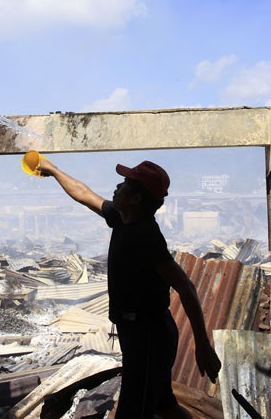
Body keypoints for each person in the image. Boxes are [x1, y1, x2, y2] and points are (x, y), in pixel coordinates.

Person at [36, 156, 222, 419]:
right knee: (163, 406)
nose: (116, 187)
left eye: (123, 183)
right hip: (139, 333)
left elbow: (186, 287)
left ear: (135, 198)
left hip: (149, 336)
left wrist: (202, 345)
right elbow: (84, 194)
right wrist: (53, 170)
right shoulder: (122, 217)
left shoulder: (146, 236)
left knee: (133, 412)